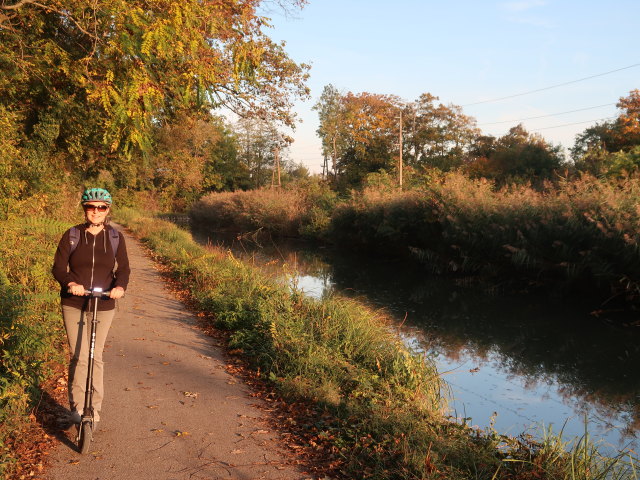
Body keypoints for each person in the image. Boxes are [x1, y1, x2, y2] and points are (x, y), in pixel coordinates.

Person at [52, 187, 130, 425]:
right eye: (90, 207)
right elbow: (58, 268)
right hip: (74, 302)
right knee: (80, 355)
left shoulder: (115, 237)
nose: (95, 212)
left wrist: (120, 287)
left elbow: (124, 268)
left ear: (108, 210)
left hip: (104, 303)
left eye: (101, 207)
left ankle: (94, 409)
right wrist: (70, 283)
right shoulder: (72, 234)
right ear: (84, 209)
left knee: (95, 357)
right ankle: (76, 407)